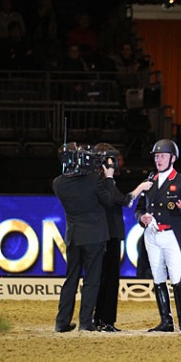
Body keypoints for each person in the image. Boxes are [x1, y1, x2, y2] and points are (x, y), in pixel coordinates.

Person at [135, 139, 181, 333]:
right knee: (158, 277)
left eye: (162, 156)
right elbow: (139, 208)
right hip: (152, 234)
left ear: (173, 158)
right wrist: (141, 218)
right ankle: (166, 321)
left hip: (171, 234)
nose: (158, 160)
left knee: (177, 276)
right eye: (156, 156)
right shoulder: (149, 180)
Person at [53, 142, 115, 333]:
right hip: (95, 236)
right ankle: (85, 323)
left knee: (70, 279)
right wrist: (109, 178)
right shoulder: (94, 179)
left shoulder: (58, 183)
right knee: (91, 280)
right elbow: (108, 200)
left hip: (73, 236)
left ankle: (62, 322)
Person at [93, 143, 153, 332]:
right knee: (109, 279)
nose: (117, 164)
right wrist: (141, 187)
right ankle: (105, 320)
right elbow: (124, 200)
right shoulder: (102, 182)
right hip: (108, 234)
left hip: (108, 233)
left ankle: (100, 319)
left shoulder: (100, 182)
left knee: (105, 278)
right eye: (114, 160)